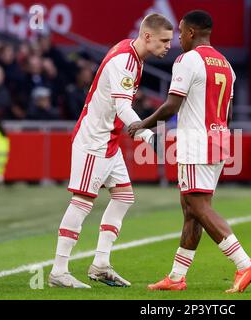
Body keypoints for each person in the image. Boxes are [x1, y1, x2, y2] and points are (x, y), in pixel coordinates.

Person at [129, 10, 251, 293]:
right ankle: (177, 277)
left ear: (191, 32)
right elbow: (226, 110)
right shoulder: (227, 65)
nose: (178, 37)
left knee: (199, 207)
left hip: (196, 142)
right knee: (192, 210)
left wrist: (143, 123)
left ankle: (243, 263)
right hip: (220, 139)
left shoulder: (188, 60)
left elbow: (171, 106)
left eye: (179, 31)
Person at [48, 13, 173, 289]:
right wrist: (147, 136)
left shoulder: (133, 57)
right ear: (148, 36)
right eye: (164, 40)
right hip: (94, 140)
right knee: (82, 202)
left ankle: (101, 264)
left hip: (109, 140)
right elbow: (122, 108)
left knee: (124, 197)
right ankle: (59, 270)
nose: (168, 45)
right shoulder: (124, 61)